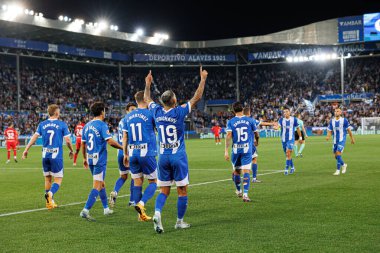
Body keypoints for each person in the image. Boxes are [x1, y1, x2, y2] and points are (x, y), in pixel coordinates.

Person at [144, 66, 208, 233]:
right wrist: (202, 79)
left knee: (164, 190)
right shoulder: (179, 112)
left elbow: (146, 98)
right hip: (177, 156)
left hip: (163, 157)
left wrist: (148, 84)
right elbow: (197, 97)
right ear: (173, 101)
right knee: (182, 190)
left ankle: (157, 213)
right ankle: (179, 221)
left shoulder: (157, 111)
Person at [22, 104, 74, 209]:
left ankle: (48, 203)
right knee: (58, 179)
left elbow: (34, 137)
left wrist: (26, 149)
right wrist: (71, 150)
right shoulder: (62, 124)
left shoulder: (42, 124)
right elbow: (68, 140)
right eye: (58, 111)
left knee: (47, 178)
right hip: (56, 155)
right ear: (56, 112)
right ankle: (50, 194)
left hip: (45, 155)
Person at [79, 102, 123, 221]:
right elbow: (110, 141)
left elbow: (83, 144)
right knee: (97, 185)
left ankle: (106, 209)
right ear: (102, 112)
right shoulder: (102, 125)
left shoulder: (86, 126)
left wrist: (84, 158)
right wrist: (123, 147)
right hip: (99, 160)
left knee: (101, 183)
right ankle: (85, 210)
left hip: (90, 158)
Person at [124, 91, 158, 221]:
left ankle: (140, 215)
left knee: (137, 182)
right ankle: (141, 203)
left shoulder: (128, 116)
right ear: (145, 99)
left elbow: (125, 137)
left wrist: (125, 153)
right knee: (154, 182)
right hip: (147, 152)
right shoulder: (150, 114)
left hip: (132, 153)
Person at [225, 103, 258, 202]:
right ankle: (245, 194)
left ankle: (238, 191)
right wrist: (257, 141)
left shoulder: (230, 121)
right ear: (242, 109)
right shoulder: (250, 120)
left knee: (236, 172)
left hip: (235, 150)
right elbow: (256, 134)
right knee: (246, 171)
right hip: (247, 149)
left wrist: (226, 151)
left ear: (234, 110)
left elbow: (228, 136)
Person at [109, 102, 137, 208]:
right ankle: (132, 201)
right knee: (134, 177)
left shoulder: (122, 121)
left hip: (120, 151)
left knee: (123, 176)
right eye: (132, 110)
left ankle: (115, 192)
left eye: (135, 109)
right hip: (128, 151)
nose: (134, 111)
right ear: (127, 111)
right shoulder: (131, 120)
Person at [242, 108, 274, 183]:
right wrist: (272, 124)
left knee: (241, 162)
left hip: (239, 144)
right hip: (250, 143)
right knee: (254, 159)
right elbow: (261, 124)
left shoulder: (238, 120)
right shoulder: (251, 120)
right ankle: (254, 178)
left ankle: (237, 178)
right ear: (249, 113)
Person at [326, 107, 355, 176]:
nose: (336, 112)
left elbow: (349, 130)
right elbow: (330, 130)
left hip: (342, 139)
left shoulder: (344, 120)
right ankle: (344, 164)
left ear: (341, 113)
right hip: (335, 140)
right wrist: (328, 136)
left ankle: (338, 170)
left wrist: (352, 138)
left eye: (338, 111)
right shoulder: (332, 121)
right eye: (335, 111)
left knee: (338, 153)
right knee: (336, 156)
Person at [274, 106, 302, 175]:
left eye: (287, 111)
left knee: (288, 152)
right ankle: (292, 167)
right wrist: (276, 128)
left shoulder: (294, 119)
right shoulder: (281, 120)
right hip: (283, 140)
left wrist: (300, 137)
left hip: (291, 139)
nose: (285, 113)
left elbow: (298, 128)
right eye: (284, 112)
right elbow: (278, 126)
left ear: (289, 112)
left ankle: (286, 169)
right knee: (288, 155)